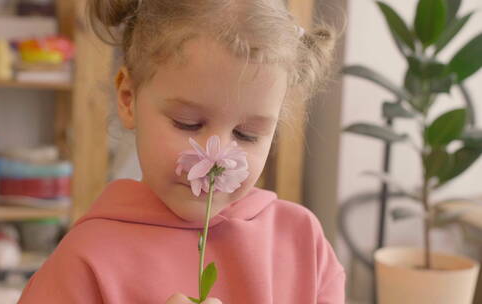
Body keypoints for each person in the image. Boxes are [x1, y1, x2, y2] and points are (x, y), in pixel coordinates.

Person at [18, 0, 345, 303]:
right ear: (129, 98)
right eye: (187, 124)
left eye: (247, 134)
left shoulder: (304, 243)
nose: (216, 157)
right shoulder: (84, 262)